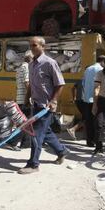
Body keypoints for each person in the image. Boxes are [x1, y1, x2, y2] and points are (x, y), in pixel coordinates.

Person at [18, 36, 69, 174]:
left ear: (42, 47)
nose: (32, 48)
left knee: (36, 135)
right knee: (45, 132)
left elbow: (60, 84)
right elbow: (31, 85)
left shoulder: (50, 63)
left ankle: (33, 164)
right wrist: (26, 99)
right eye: (30, 45)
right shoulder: (31, 64)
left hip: (46, 106)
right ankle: (62, 151)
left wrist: (53, 101)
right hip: (35, 104)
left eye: (34, 45)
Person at [9, 51, 33, 150]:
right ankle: (13, 141)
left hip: (20, 97)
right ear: (30, 58)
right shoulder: (26, 67)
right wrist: (31, 96)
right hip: (25, 99)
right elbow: (27, 83)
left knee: (27, 121)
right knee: (27, 122)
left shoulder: (19, 68)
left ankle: (26, 143)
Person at [82, 55, 105, 147]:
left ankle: (89, 141)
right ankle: (97, 141)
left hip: (86, 98)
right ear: (102, 61)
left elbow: (83, 82)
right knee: (99, 122)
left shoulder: (88, 69)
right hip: (97, 98)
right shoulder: (101, 70)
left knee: (89, 121)